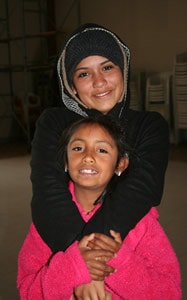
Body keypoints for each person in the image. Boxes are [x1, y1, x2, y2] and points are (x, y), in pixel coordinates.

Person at [30, 23, 169, 253]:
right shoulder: (53, 122)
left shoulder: (149, 125)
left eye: (107, 67)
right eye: (84, 73)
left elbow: (141, 189)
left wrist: (90, 257)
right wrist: (77, 260)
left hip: (128, 249)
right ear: (71, 86)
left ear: (123, 70)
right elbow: (48, 191)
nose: (99, 81)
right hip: (62, 245)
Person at [18, 115, 181, 299]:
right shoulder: (47, 221)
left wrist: (117, 261)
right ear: (65, 160)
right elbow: (28, 292)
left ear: (121, 164)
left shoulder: (142, 223)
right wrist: (73, 267)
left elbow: (169, 292)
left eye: (102, 150)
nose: (88, 157)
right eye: (78, 148)